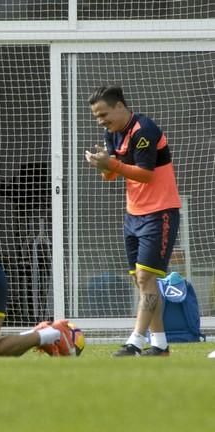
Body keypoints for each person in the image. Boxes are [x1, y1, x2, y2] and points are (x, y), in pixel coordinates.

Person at [84, 85, 181, 357]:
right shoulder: (112, 133)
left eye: (104, 114)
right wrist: (102, 165)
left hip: (160, 212)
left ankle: (135, 342)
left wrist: (111, 165)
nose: (101, 121)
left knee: (145, 276)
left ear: (119, 106)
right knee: (143, 282)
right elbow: (111, 175)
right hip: (133, 214)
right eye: (97, 118)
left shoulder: (144, 131)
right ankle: (160, 344)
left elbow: (146, 174)